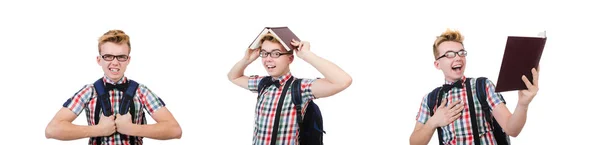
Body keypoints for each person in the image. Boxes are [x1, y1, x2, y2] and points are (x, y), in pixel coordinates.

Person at [45, 30, 182, 145]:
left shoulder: (141, 91)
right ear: (99, 60)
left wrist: (131, 128)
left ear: (128, 60)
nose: (115, 62)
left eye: (121, 57)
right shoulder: (88, 91)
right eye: (108, 56)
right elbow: (52, 130)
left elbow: (175, 130)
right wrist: (99, 130)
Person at [409, 29, 540, 145]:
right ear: (437, 64)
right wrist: (433, 122)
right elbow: (414, 142)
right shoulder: (430, 99)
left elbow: (512, 130)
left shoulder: (483, 86)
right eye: (449, 54)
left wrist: (523, 104)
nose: (458, 58)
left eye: (461, 52)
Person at [227, 33, 352, 145]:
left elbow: (342, 81)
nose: (268, 59)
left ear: (290, 58)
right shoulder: (262, 83)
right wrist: (246, 60)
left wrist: (307, 55)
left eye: (276, 53)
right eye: (264, 53)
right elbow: (233, 77)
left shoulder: (300, 87)